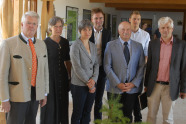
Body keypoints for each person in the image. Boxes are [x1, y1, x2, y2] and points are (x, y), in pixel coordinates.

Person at [0, 11, 49, 124]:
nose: (31, 26)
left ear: (37, 26)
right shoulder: (8, 44)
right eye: (28, 23)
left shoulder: (42, 45)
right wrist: (4, 99)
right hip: (16, 95)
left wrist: (44, 93)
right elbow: (2, 74)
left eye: (34, 24)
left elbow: (45, 71)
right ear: (22, 24)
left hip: (35, 94)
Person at [144, 17, 186, 124]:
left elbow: (184, 68)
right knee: (151, 116)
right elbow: (149, 66)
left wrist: (184, 89)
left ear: (172, 28)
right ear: (159, 29)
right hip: (154, 86)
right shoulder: (152, 44)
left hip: (171, 86)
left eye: (168, 27)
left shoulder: (181, 45)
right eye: (163, 27)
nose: (165, 30)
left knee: (168, 119)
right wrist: (146, 84)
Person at [104, 21, 145, 123]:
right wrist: (118, 83)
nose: (125, 32)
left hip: (131, 89)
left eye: (128, 29)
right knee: (114, 116)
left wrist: (133, 83)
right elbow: (107, 66)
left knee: (127, 116)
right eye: (123, 29)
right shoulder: (110, 45)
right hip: (114, 87)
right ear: (118, 31)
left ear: (131, 31)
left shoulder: (138, 46)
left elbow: (141, 67)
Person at [40, 16, 71, 124]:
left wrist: (70, 77)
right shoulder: (44, 43)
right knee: (50, 104)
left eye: (60, 26)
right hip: (49, 77)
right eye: (55, 26)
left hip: (62, 76)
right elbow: (42, 64)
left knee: (63, 102)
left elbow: (67, 61)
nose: (58, 29)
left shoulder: (65, 42)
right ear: (50, 27)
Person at [70, 19, 99, 124]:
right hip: (79, 85)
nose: (88, 32)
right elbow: (77, 67)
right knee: (78, 113)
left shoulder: (93, 46)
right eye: (85, 30)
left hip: (92, 84)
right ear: (80, 31)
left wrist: (94, 80)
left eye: (90, 29)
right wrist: (89, 83)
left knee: (87, 111)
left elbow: (96, 64)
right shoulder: (75, 46)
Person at [89, 8, 111, 120]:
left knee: (99, 100)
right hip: (89, 71)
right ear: (92, 19)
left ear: (103, 19)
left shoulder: (107, 32)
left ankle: (98, 121)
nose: (99, 20)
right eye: (96, 18)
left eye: (101, 18)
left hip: (102, 71)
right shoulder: (87, 32)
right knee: (88, 99)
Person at [129, 10, 150, 122]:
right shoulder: (125, 32)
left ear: (140, 21)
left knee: (137, 95)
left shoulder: (145, 35)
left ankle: (138, 118)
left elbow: (147, 54)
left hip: (139, 70)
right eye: (134, 18)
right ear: (130, 20)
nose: (136, 21)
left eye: (138, 19)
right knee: (127, 94)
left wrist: (141, 68)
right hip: (126, 71)